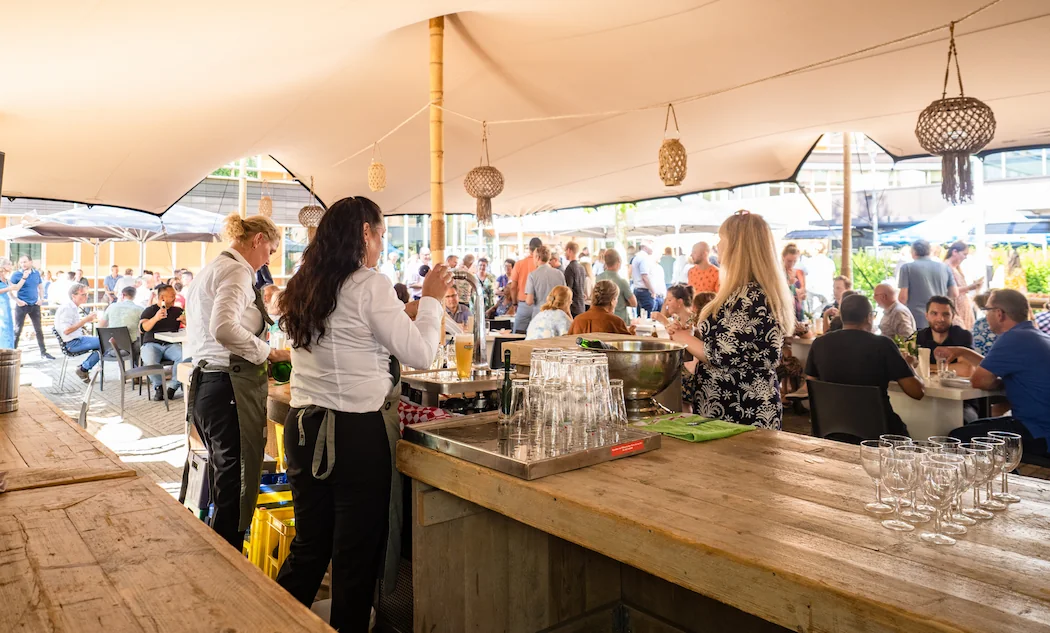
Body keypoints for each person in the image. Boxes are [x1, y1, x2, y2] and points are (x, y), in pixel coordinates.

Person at [275, 197, 451, 631]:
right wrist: (431, 301)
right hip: (353, 434)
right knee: (354, 558)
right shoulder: (369, 283)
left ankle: (269, 620)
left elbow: (346, 333)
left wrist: (402, 314)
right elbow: (421, 352)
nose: (381, 246)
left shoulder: (304, 283)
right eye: (382, 235)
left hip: (302, 428)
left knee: (310, 547)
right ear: (366, 234)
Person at [184, 213, 289, 550]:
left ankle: (218, 555)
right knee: (236, 485)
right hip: (227, 385)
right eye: (270, 250)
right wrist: (267, 354)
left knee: (224, 481)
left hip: (207, 383)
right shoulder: (237, 270)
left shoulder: (213, 267)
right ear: (258, 239)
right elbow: (224, 327)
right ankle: (228, 567)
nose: (268, 259)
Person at [668, 211, 794, 428]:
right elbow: (733, 346)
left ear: (738, 245)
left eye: (721, 238)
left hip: (739, 407)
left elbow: (720, 354)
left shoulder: (751, 296)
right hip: (732, 403)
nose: (717, 245)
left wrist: (683, 338)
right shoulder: (750, 292)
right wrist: (690, 336)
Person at [939, 289, 1050, 457]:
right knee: (975, 426)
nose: (985, 315)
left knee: (958, 438)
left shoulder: (1012, 338)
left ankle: (994, 478)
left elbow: (980, 381)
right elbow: (995, 370)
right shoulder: (1033, 335)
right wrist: (964, 352)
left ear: (999, 313)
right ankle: (1006, 473)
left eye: (987, 310)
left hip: (1038, 431)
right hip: (1039, 425)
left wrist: (998, 380)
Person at [804, 294, 924, 437]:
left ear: (842, 317)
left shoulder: (820, 344)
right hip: (878, 433)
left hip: (831, 429)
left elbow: (810, 386)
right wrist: (908, 364)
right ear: (869, 317)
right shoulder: (883, 345)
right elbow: (917, 392)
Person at [139, 283, 185, 400]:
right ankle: (159, 387)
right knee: (150, 360)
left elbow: (192, 327)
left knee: (183, 357)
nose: (175, 298)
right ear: (162, 298)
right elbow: (142, 328)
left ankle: (173, 388)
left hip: (171, 344)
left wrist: (186, 321)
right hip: (152, 344)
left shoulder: (177, 310)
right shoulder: (150, 310)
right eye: (172, 296)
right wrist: (156, 318)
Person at [898, 239, 957, 329]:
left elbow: (903, 298)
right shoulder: (945, 267)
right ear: (929, 251)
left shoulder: (907, 268)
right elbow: (954, 293)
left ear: (913, 252)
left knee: (921, 342)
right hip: (941, 318)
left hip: (918, 318)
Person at [54, 283, 100, 382]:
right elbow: (66, 330)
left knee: (104, 343)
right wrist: (85, 320)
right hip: (72, 343)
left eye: (87, 294)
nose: (86, 297)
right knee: (105, 343)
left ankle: (84, 368)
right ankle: (83, 368)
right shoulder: (67, 308)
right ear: (73, 296)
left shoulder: (72, 307)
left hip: (76, 339)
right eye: (83, 294)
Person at [10, 255, 53, 359]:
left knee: (38, 329)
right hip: (22, 305)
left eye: (25, 262)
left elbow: (41, 287)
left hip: (34, 305)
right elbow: (11, 290)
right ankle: (12, 354)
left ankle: (43, 353)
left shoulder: (36, 273)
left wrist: (41, 299)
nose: (23, 264)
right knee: (17, 330)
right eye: (21, 262)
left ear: (31, 262)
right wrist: (17, 300)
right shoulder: (16, 274)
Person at [568, 280, 633, 335]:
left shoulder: (577, 320)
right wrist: (632, 334)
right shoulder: (615, 322)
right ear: (613, 300)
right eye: (616, 299)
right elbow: (626, 347)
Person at [945, 241, 981, 330]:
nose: (965, 258)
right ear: (954, 252)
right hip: (955, 307)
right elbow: (949, 290)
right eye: (964, 254)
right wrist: (970, 287)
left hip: (962, 306)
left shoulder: (956, 268)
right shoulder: (946, 267)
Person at [596, 249, 636, 324]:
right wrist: (623, 302)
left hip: (602, 319)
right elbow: (634, 303)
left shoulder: (598, 279)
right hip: (619, 320)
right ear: (618, 261)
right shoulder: (622, 282)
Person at [511, 238, 542, 332]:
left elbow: (513, 287)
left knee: (518, 336)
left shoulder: (519, 264)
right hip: (540, 305)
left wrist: (514, 303)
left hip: (523, 304)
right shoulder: (542, 265)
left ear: (529, 248)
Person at [525, 245, 565, 313]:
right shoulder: (559, 274)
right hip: (556, 313)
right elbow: (565, 296)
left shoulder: (532, 275)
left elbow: (529, 301)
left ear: (538, 257)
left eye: (534, 257)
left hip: (539, 314)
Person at [0, 258, 25, 349]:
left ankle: (8, 351)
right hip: (0, 305)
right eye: (9, 264)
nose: (11, 266)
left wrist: (17, 300)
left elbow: (15, 289)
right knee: (2, 328)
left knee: (8, 327)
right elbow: (9, 289)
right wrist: (9, 289)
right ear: (3, 266)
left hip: (6, 305)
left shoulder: (7, 280)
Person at [800, 242, 835, 306]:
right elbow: (832, 276)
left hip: (812, 293)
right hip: (827, 293)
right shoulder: (830, 262)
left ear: (816, 250)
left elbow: (802, 277)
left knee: (813, 314)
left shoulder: (807, 262)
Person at [630, 243, 660, 315]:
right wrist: (653, 291)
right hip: (644, 291)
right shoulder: (644, 258)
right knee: (647, 316)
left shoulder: (637, 257)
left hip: (638, 289)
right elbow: (644, 276)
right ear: (645, 247)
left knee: (640, 316)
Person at [782, 243, 806, 322]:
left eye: (794, 261)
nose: (791, 264)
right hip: (785, 310)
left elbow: (803, 290)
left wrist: (802, 295)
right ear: (783, 257)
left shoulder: (799, 272)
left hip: (798, 308)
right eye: (789, 261)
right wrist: (788, 283)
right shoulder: (780, 273)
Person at [562, 242, 587, 319]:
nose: (565, 253)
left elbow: (568, 290)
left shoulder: (569, 268)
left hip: (573, 308)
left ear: (569, 250)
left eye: (565, 251)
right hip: (581, 306)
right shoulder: (582, 268)